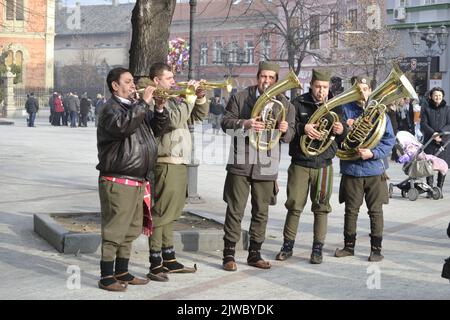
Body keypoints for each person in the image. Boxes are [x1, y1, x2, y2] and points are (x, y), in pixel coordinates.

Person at [96, 67, 169, 292]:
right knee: (115, 230)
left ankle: (122, 270)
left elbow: (158, 129)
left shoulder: (133, 107)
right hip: (118, 178)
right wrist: (144, 103)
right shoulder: (110, 109)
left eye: (132, 81)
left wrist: (158, 108)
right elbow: (123, 127)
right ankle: (106, 276)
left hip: (138, 179)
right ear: (114, 86)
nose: (132, 85)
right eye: (127, 82)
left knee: (130, 229)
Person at [221, 61, 295, 271]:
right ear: (257, 76)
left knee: (261, 211)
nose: (267, 81)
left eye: (271, 78)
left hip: (267, 164)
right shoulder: (241, 97)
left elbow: (290, 137)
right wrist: (245, 123)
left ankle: (255, 253)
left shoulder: (285, 104)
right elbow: (225, 124)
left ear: (276, 80)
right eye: (264, 76)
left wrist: (284, 129)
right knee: (235, 210)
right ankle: (228, 255)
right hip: (241, 162)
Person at [275, 69, 346, 264]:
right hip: (300, 162)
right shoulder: (298, 103)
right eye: (318, 87)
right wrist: (302, 128)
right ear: (311, 86)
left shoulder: (336, 105)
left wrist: (341, 130)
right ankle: (287, 246)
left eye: (324, 87)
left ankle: (317, 250)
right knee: (294, 205)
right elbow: (289, 128)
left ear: (329, 87)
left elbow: (343, 139)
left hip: (324, 164)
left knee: (321, 208)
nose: (321, 91)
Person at [146, 62, 208, 281]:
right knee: (162, 213)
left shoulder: (174, 100)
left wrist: (199, 98)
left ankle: (169, 258)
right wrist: (189, 99)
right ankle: (155, 264)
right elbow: (173, 121)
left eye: (173, 77)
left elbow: (198, 116)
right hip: (166, 162)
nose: (174, 81)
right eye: (169, 77)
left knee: (172, 212)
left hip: (179, 161)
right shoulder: (157, 101)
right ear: (157, 81)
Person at [334, 76, 396, 262]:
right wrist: (345, 128)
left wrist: (373, 153)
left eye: (366, 89)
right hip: (352, 169)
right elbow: (336, 139)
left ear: (370, 90)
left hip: (375, 169)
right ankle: (348, 247)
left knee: (375, 211)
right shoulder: (344, 110)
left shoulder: (380, 112)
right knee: (351, 211)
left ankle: (376, 250)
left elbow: (389, 140)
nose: (362, 93)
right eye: (358, 89)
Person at [421, 87, 450, 197]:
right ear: (431, 96)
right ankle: (430, 189)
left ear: (442, 96)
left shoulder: (447, 109)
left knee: (442, 166)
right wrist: (433, 133)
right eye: (435, 95)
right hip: (430, 140)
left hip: (443, 141)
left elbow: (449, 124)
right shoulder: (426, 109)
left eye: (440, 95)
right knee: (429, 165)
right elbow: (423, 124)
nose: (438, 97)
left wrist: (441, 133)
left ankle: (439, 189)